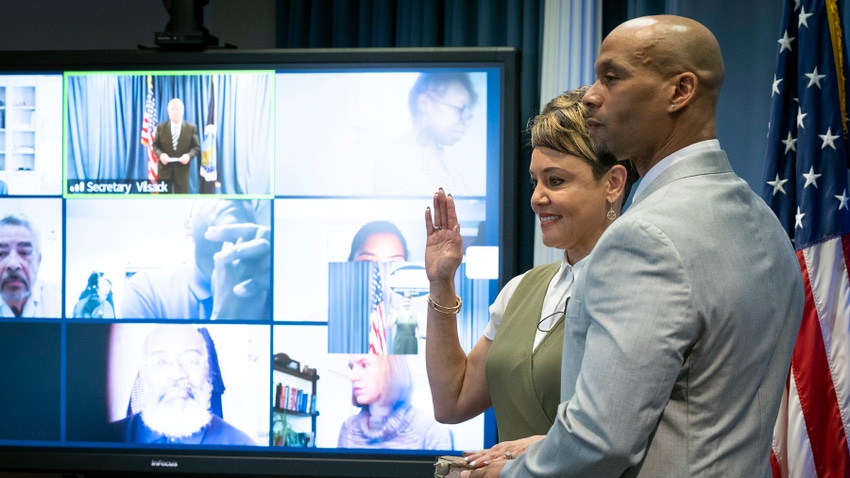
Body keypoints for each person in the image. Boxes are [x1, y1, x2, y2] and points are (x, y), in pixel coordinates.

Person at [464, 15, 805, 478]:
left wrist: (507, 475)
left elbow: (601, 442)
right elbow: (695, 413)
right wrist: (550, 445)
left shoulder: (642, 238)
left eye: (612, 77)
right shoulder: (764, 222)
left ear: (680, 91)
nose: (590, 95)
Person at [424, 87, 632, 465]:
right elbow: (451, 401)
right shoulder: (519, 290)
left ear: (613, 184)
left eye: (555, 181)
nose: (537, 198)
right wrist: (441, 282)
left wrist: (546, 447)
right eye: (535, 181)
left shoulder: (640, 290)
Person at [120, 199, 271, 320]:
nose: (232, 197)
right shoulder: (146, 291)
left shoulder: (275, 284)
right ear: (188, 226)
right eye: (212, 193)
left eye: (244, 196)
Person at [110, 324, 255, 445]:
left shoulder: (241, 444)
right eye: (161, 362)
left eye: (191, 361)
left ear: (207, 369)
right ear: (143, 373)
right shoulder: (107, 437)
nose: (176, 374)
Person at [374, 72, 479, 196]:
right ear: (424, 103)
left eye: (468, 113)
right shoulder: (395, 158)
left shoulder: (446, 163)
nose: (466, 121)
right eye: (460, 108)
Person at [337, 354, 452, 450]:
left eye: (364, 365)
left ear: (391, 369)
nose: (352, 376)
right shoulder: (349, 428)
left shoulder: (431, 430)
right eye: (351, 367)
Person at [0, 214, 60, 318]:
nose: (13, 264)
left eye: (24, 252)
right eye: (1, 253)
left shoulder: (57, 300)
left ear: (38, 261)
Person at [152, 98, 201, 194]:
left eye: (177, 109)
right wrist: (161, 155)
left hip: (182, 171)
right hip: (164, 171)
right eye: (172, 109)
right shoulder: (161, 127)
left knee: (182, 201)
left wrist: (188, 156)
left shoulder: (191, 128)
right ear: (168, 112)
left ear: (182, 111)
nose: (175, 112)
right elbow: (155, 146)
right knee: (165, 202)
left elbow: (196, 147)